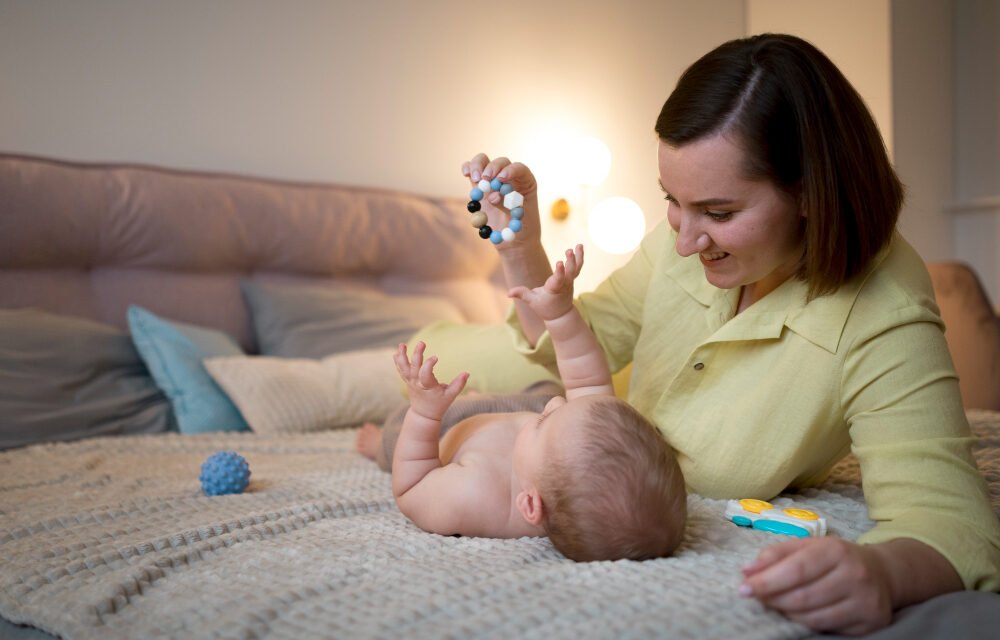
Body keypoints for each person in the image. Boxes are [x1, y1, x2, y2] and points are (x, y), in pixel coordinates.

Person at [460, 33, 1000, 636]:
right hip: (546, 402)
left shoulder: (883, 309)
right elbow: (569, 345)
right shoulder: (679, 240)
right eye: (673, 201)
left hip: (558, 422)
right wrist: (521, 248)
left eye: (718, 214)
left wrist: (880, 572)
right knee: (424, 378)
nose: (685, 241)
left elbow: (951, 524)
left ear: (810, 193)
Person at [356, 245, 687, 562]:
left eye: (546, 422)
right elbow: (584, 377)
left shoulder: (473, 496)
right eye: (566, 408)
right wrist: (559, 314)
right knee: (548, 389)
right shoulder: (568, 440)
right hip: (521, 407)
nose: (559, 403)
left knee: (398, 437)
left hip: (446, 428)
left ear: (530, 504)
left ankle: (377, 444)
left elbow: (413, 487)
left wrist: (425, 412)